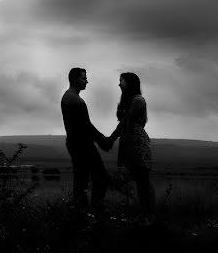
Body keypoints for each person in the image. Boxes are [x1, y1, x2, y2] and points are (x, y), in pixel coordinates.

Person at [61, 67, 112, 213]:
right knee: (100, 178)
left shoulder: (70, 97)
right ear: (74, 79)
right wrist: (102, 139)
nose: (87, 81)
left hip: (76, 143)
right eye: (84, 78)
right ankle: (94, 211)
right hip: (81, 144)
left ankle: (81, 213)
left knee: (81, 181)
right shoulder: (74, 99)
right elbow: (86, 125)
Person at [107, 72, 155, 215]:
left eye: (121, 81)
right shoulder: (129, 100)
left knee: (143, 181)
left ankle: (149, 214)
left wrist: (111, 139)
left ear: (130, 83)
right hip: (129, 143)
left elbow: (124, 122)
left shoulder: (138, 100)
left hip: (137, 143)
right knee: (138, 180)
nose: (119, 84)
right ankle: (144, 214)